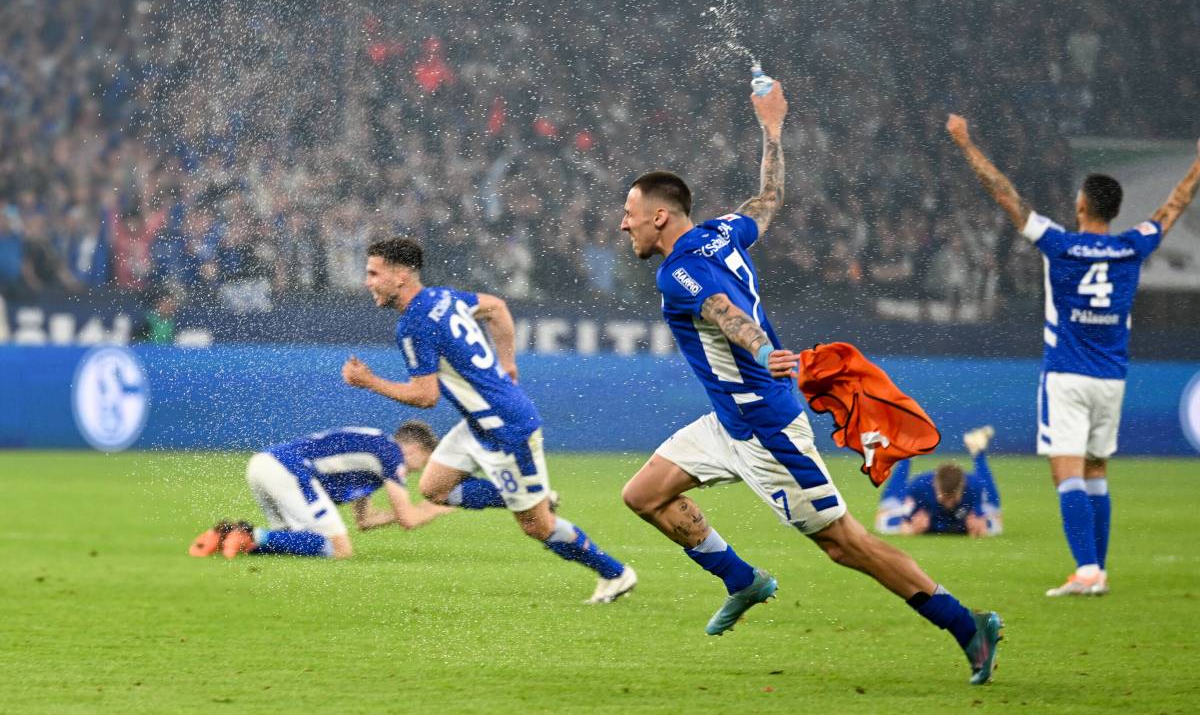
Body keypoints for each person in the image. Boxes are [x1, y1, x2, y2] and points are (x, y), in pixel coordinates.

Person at [617, 79, 1002, 685]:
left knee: (846, 544)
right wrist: (771, 127)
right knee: (642, 495)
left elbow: (724, 311)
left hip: (766, 431)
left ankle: (966, 624)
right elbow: (768, 200)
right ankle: (742, 580)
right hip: (729, 422)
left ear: (659, 216)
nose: (624, 225)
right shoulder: (722, 232)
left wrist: (763, 349)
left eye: (630, 214)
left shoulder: (678, 272)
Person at [947, 115, 1200, 596]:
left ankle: (1085, 570)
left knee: (1066, 474)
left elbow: (1004, 194)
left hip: (1066, 375)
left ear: (1081, 204)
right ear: (1116, 211)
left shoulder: (1059, 244)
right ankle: (1096, 571)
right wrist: (1197, 167)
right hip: (1111, 379)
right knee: (1096, 472)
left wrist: (966, 143)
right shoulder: (1131, 246)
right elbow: (1174, 206)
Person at [340, 237, 637, 604]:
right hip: (479, 423)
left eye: (374, 273)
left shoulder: (413, 325)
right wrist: (507, 362)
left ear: (400, 276)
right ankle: (532, 496)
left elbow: (425, 396)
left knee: (537, 526)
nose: (368, 281)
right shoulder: (442, 297)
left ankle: (615, 573)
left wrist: (369, 381)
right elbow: (496, 307)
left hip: (507, 429)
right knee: (434, 488)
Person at [189, 423, 452, 559]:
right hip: (288, 470)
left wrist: (408, 512)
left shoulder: (376, 452)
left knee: (292, 545)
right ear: (414, 449)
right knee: (339, 549)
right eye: (425, 462)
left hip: (263, 464)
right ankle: (248, 534)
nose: (421, 469)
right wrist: (437, 507)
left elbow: (365, 520)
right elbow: (408, 519)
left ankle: (226, 536)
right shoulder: (392, 455)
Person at [875, 426, 1003, 537]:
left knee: (993, 509)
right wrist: (908, 528)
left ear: (962, 487)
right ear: (935, 485)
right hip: (932, 514)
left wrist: (983, 527)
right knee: (889, 505)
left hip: (954, 519)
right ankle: (907, 450)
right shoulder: (919, 487)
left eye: (953, 498)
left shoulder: (974, 487)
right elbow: (884, 522)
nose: (949, 504)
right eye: (944, 497)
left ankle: (978, 452)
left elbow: (993, 524)